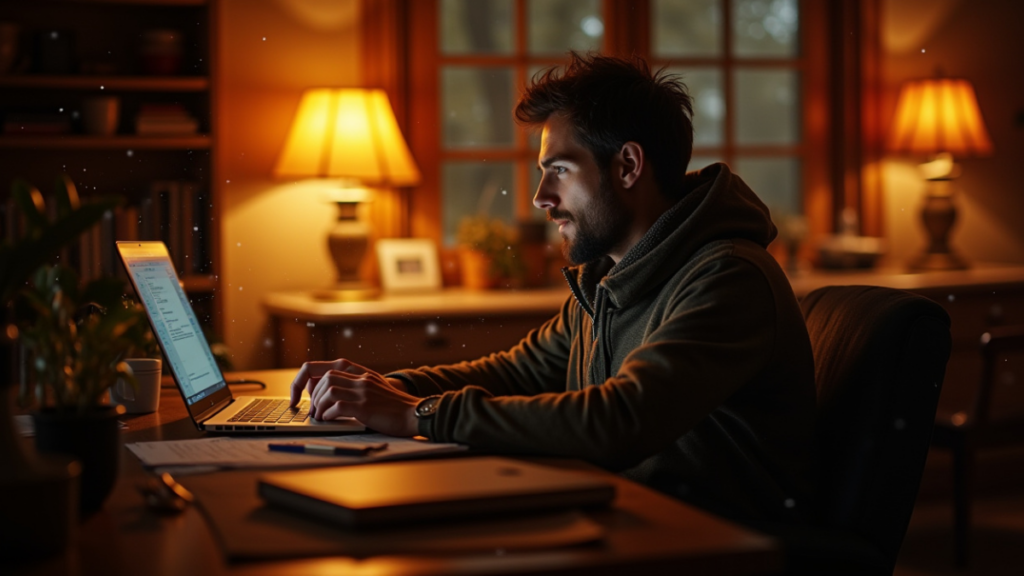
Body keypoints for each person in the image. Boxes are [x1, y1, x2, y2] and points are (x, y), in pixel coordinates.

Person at [289, 52, 817, 527]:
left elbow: (621, 421)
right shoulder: (610, 277)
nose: (541, 197)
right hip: (631, 516)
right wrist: (378, 387)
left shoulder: (726, 278)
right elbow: (515, 373)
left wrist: (414, 413)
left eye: (559, 170)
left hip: (716, 545)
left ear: (628, 165)